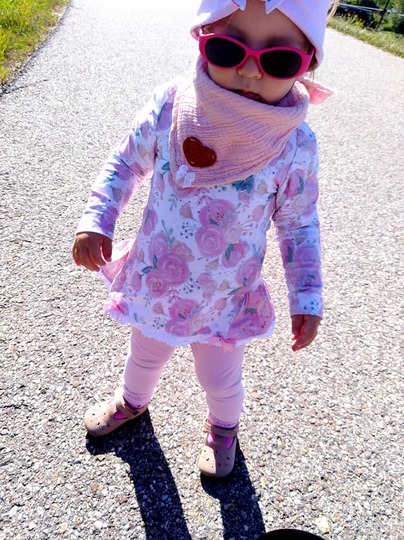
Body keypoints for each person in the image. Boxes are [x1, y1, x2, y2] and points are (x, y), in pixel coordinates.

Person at [72, 0, 337, 478]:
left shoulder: (294, 146)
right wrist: (98, 217)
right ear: (202, 39)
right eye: (228, 49)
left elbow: (299, 224)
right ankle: (132, 401)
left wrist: (307, 296)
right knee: (143, 356)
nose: (250, 71)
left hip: (225, 301)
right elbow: (126, 162)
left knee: (220, 379)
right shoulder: (173, 107)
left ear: (306, 63)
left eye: (278, 60)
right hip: (157, 281)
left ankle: (223, 427)